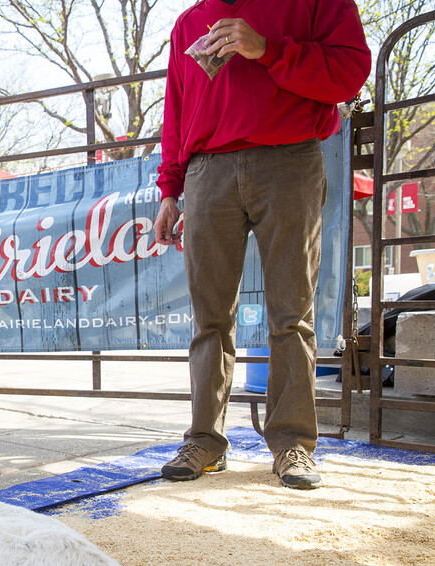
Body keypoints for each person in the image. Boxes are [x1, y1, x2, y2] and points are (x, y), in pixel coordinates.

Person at [152, 0, 370, 490]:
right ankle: (205, 440)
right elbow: (177, 109)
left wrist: (268, 49)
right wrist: (170, 189)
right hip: (208, 170)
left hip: (290, 160)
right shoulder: (190, 21)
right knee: (209, 315)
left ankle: (292, 443)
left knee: (291, 311)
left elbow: (349, 73)